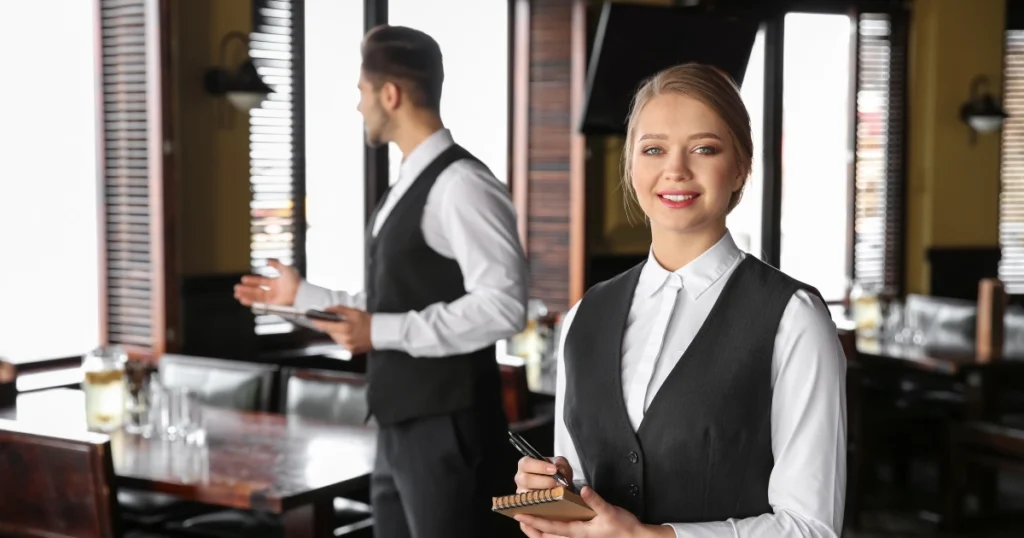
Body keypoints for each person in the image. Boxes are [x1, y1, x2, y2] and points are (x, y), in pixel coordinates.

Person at [512, 63, 847, 538]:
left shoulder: (793, 318)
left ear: (740, 167)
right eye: (653, 149)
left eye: (704, 149)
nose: (675, 169)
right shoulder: (585, 315)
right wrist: (555, 496)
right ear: (631, 167)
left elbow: (812, 527)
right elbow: (587, 490)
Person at [234, 25, 528, 538]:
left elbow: (504, 307)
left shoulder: (463, 186)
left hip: (448, 429)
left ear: (389, 95)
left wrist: (381, 332)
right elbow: (394, 303)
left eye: (361, 92)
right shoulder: (409, 184)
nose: (358, 107)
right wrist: (304, 299)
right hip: (398, 428)